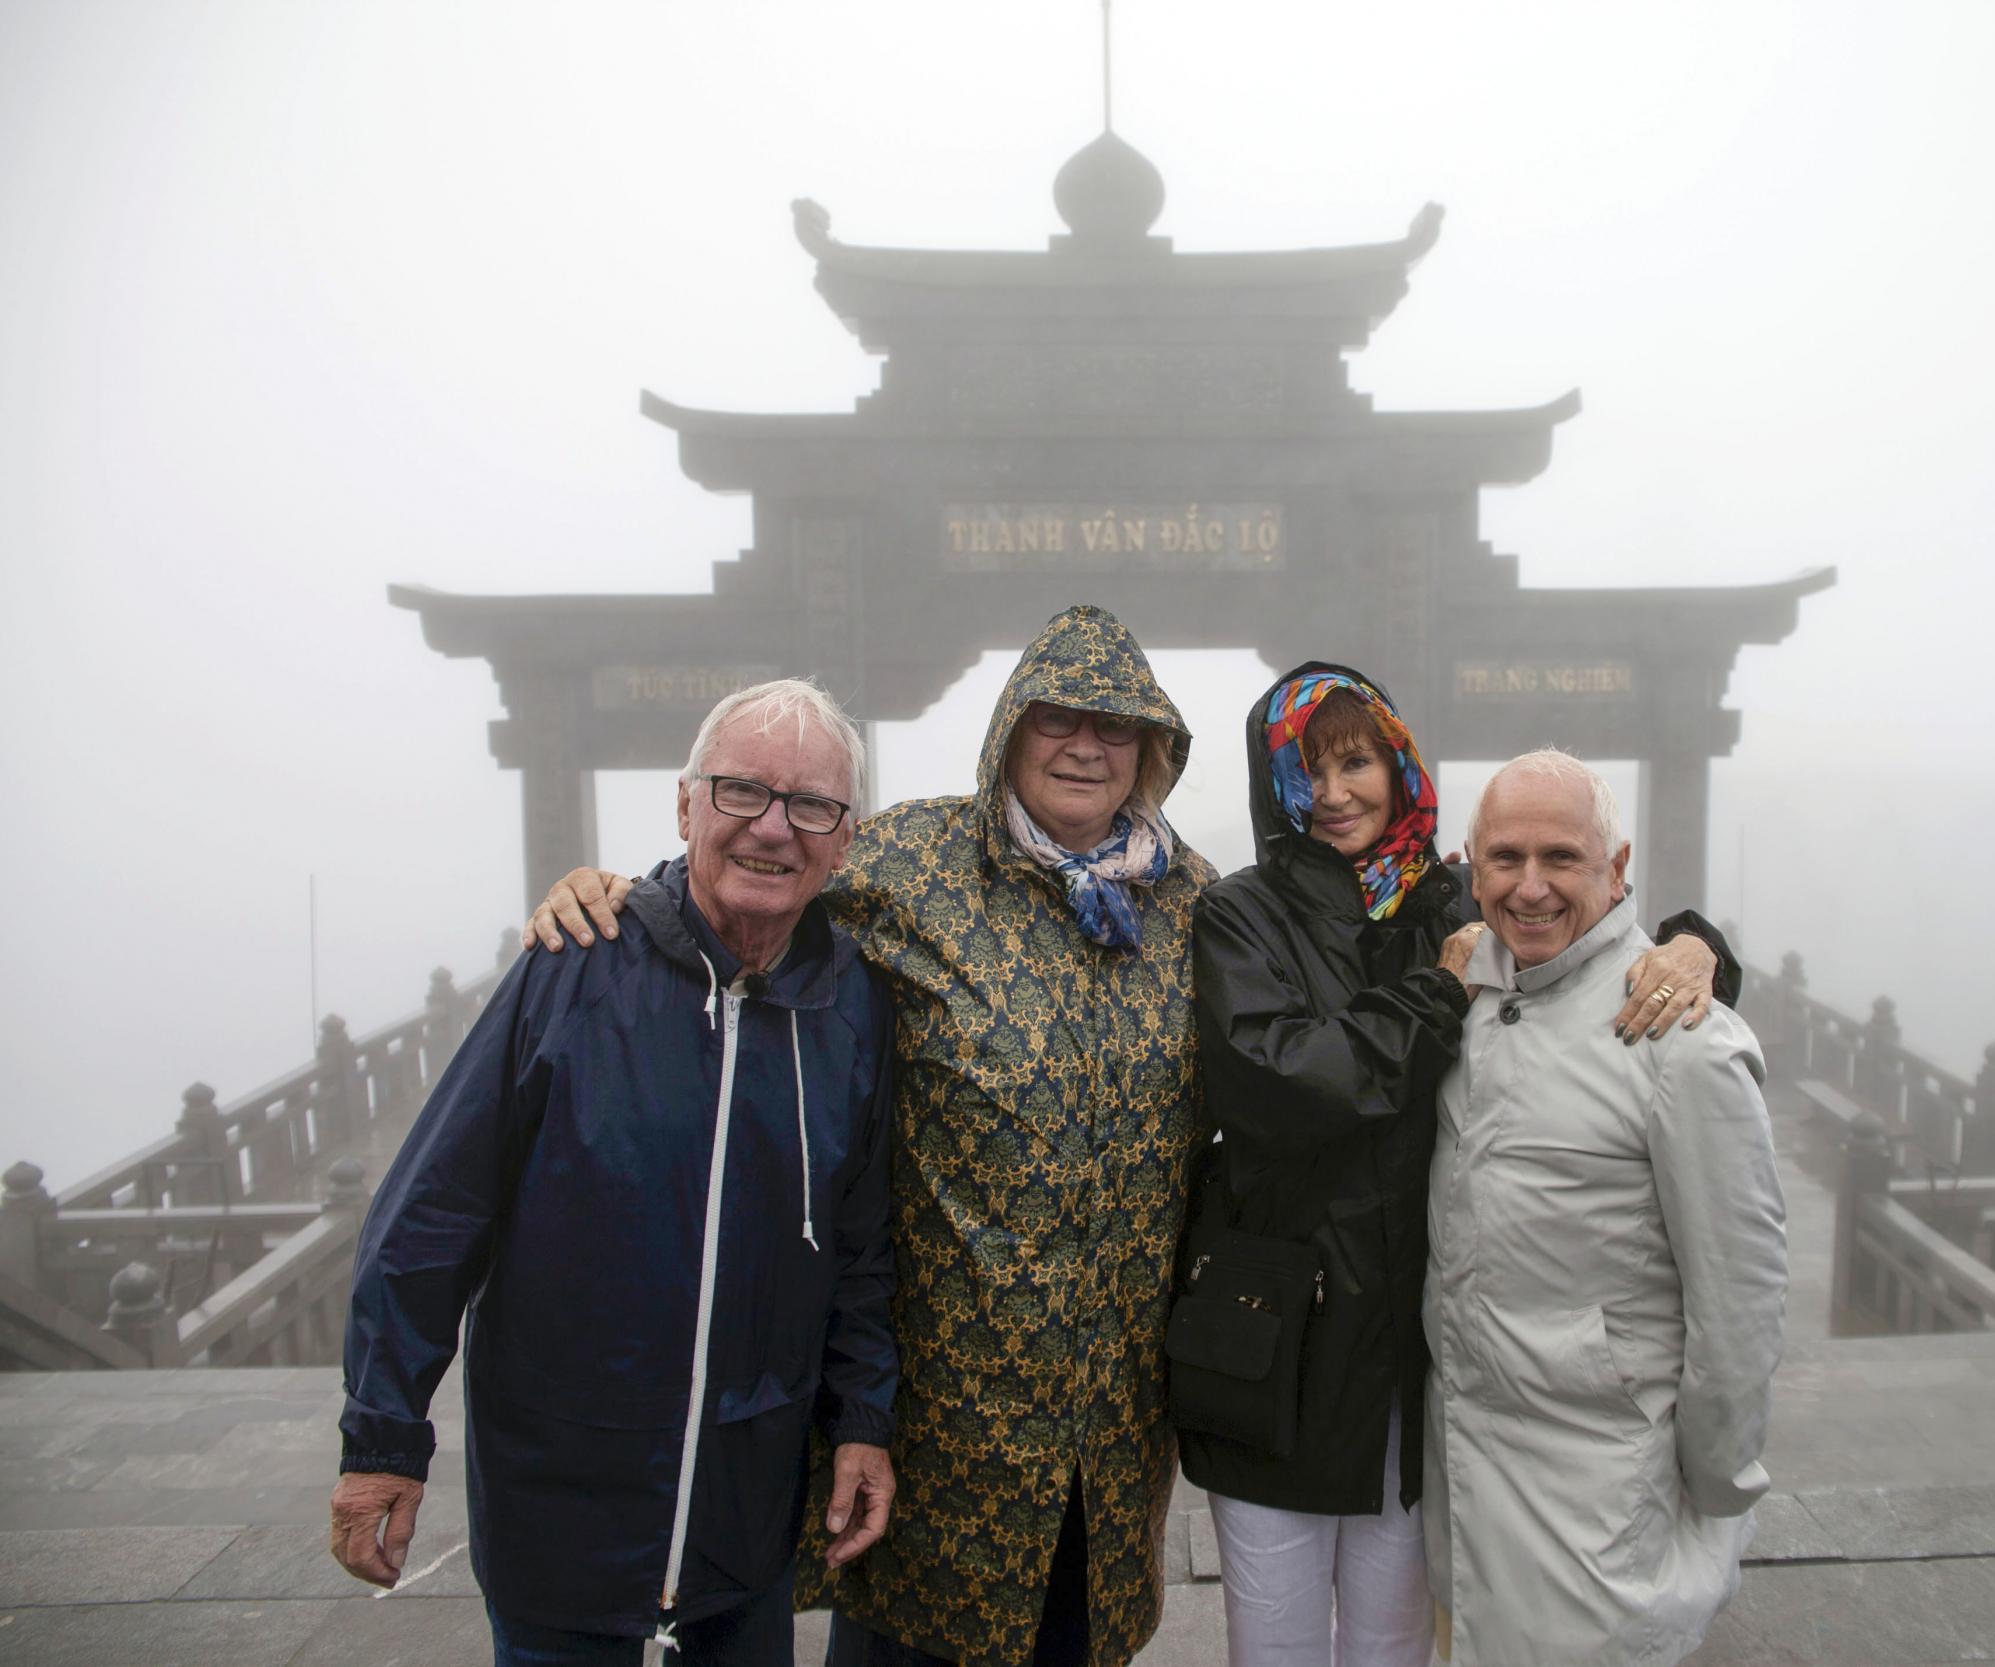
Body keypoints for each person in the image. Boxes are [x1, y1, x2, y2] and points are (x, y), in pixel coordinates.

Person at [527, 605, 1217, 1667]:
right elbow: (755, 878)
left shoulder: (1188, 899)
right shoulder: (915, 860)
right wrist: (618, 894)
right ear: (1009, 732)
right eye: (1057, 719)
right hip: (947, 1415)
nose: (1085, 744)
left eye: (1116, 726)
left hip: (1115, 1423)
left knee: (1079, 1637)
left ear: (1152, 752)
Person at [330, 678, 899, 1667]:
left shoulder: (851, 1006)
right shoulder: (575, 962)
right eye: (739, 792)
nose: (773, 828)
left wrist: (864, 1417)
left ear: (846, 838)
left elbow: (860, 1249)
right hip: (563, 1517)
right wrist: (384, 1438)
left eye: (811, 804)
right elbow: (434, 1210)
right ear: (684, 805)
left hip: (744, 1527)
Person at [1184, 667, 1739, 1667]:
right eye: (1307, 771)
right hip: (1274, 1342)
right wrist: (1435, 994)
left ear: (1397, 765)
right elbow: (1284, 1083)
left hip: (1408, 1348)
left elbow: (1574, 934)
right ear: (1277, 787)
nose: (1338, 791)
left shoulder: (1447, 895)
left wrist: (1696, 945)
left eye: (1356, 760)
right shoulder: (1240, 913)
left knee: (1396, 1639)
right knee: (1274, 1640)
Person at [1423, 749, 1788, 1667]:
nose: (1531, 887)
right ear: (1470, 865)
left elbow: (1739, 1296)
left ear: (1618, 868)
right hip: (1462, 1468)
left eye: (1563, 858)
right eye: (1505, 859)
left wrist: (1710, 1487)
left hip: (1601, 1488)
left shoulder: (1682, 1039)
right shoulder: (1459, 1000)